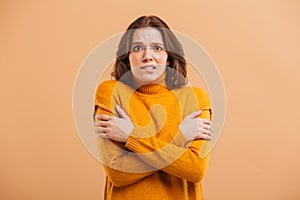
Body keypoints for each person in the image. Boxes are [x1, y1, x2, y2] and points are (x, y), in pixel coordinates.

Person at [94, 15, 213, 200]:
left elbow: (195, 170)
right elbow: (118, 173)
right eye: (138, 48)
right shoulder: (110, 93)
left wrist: (130, 136)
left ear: (168, 57)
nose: (147, 56)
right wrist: (180, 138)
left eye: (157, 48)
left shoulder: (195, 99)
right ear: (127, 57)